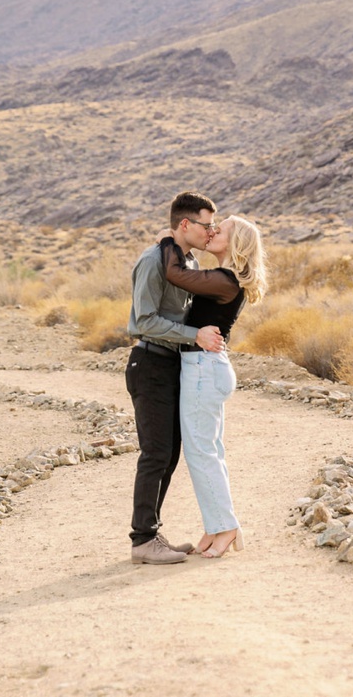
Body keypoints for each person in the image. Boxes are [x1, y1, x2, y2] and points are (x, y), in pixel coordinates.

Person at [124, 191, 239, 566]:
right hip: (151, 364)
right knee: (156, 453)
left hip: (174, 366)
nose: (211, 232)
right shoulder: (155, 259)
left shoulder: (184, 260)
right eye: (207, 225)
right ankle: (142, 539)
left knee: (170, 454)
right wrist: (194, 336)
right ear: (186, 224)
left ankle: (153, 534)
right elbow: (143, 321)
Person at [162, 213, 267, 560]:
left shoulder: (225, 279)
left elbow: (174, 274)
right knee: (209, 453)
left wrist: (169, 241)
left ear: (234, 242)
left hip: (204, 371)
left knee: (202, 454)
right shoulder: (225, 277)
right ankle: (216, 525)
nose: (211, 232)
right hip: (205, 369)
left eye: (218, 230)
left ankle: (226, 527)